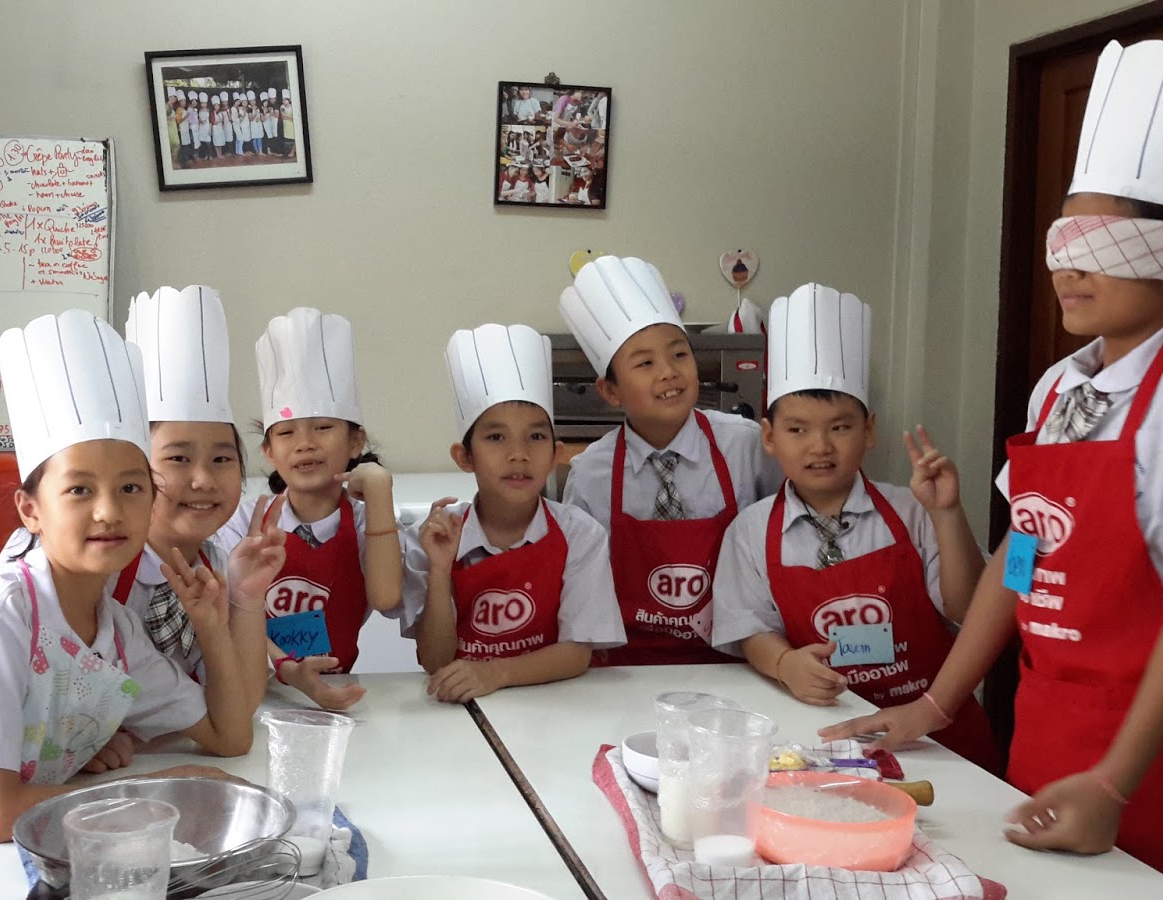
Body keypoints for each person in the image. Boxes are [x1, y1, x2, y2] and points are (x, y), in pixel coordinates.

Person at [825, 39, 1163, 898]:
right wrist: (936, 705)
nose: (1067, 266)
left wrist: (1115, 783)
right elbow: (1023, 557)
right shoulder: (1060, 388)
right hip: (1048, 734)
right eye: (1063, 240)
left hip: (1162, 755)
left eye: (1100, 243)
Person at [0, 311, 252, 892]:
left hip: (52, 855)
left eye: (131, 488)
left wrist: (211, 627)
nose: (109, 511)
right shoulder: (5, 613)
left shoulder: (114, 629)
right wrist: (153, 792)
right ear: (30, 510)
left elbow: (230, 736)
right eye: (79, 489)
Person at [711, 284, 1001, 772]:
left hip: (938, 739)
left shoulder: (912, 510)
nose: (820, 446)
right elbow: (749, 629)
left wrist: (948, 513)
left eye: (840, 427)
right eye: (797, 429)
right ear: (769, 437)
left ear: (869, 431)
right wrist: (783, 664)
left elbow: (968, 608)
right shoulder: (751, 532)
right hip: (825, 740)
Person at [559, 256, 782, 665]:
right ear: (610, 391)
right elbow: (579, 584)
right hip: (627, 666)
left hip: (739, 660)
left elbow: (782, 544)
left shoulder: (744, 446)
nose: (668, 372)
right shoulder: (591, 473)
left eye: (679, 354)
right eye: (645, 363)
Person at [407, 325, 625, 703]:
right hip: (462, 711)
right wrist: (440, 572)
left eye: (536, 437)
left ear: (556, 455)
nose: (519, 454)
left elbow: (576, 654)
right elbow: (435, 660)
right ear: (464, 457)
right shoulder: (434, 537)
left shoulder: (580, 534)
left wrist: (496, 672)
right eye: (496, 437)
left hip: (556, 705)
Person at [255, 308, 411, 710]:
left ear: (355, 442)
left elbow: (387, 597)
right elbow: (231, 614)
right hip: (255, 691)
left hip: (336, 694)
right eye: (286, 432)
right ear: (269, 451)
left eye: (323, 427)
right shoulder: (247, 523)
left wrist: (379, 491)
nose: (305, 443)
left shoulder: (365, 522)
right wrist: (286, 668)